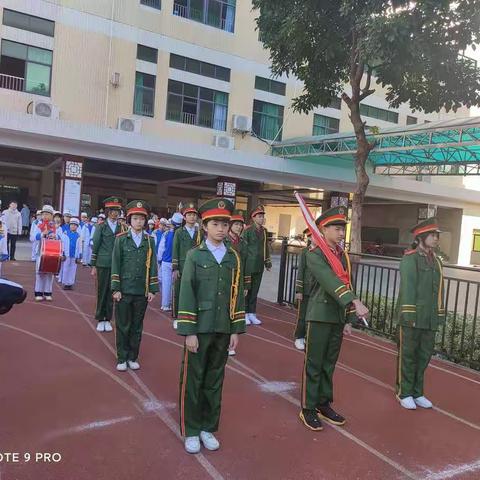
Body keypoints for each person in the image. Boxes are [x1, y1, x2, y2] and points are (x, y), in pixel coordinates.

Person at [177, 198, 246, 454]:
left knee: (215, 379)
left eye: (224, 224)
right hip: (200, 328)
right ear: (205, 226)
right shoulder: (195, 255)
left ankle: (208, 427)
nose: (221, 228)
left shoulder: (233, 258)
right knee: (193, 379)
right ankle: (192, 430)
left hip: (222, 328)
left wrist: (236, 328)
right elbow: (187, 292)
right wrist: (189, 331)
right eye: (215, 223)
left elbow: (238, 294)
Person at [300, 206, 369, 431]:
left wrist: (348, 317)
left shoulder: (342, 255)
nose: (341, 234)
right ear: (323, 229)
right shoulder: (315, 254)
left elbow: (347, 280)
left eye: (343, 230)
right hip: (320, 315)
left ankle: (323, 403)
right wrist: (354, 302)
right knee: (314, 363)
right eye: (337, 229)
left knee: (329, 364)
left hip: (337, 316)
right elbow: (330, 280)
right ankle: (308, 408)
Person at [395, 218, 445, 410]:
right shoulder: (410, 258)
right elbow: (408, 288)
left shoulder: (436, 261)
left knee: (424, 356)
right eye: (432, 235)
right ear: (421, 238)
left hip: (429, 317)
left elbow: (439, 290)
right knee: (408, 356)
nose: (436, 238)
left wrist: (439, 314)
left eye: (437, 235)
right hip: (412, 317)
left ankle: (417, 392)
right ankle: (404, 392)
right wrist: (409, 316)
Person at [111, 200, 158, 371]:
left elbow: (153, 264)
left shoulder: (149, 240)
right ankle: (122, 357)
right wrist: (115, 288)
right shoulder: (121, 239)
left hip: (141, 290)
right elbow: (116, 263)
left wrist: (153, 289)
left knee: (137, 326)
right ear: (129, 220)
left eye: (142, 219)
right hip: (124, 290)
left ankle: (133, 356)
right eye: (136, 218)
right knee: (123, 324)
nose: (139, 222)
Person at [91, 197, 127, 333]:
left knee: (114, 291)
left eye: (117, 211)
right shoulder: (101, 226)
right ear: (107, 212)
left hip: (117, 264)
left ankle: (108, 318)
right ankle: (101, 318)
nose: (114, 214)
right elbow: (96, 245)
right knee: (102, 291)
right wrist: (93, 265)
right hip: (103, 263)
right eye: (112, 211)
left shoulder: (122, 227)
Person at [224, 209, 250, 355]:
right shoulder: (224, 240)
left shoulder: (243, 242)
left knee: (235, 310)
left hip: (238, 280)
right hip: (226, 278)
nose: (239, 227)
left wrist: (246, 284)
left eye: (241, 225)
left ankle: (230, 342)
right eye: (236, 224)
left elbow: (246, 264)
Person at [242, 205, 272, 325]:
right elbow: (244, 248)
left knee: (255, 290)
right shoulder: (247, 230)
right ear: (253, 218)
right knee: (246, 289)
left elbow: (265, 247)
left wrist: (267, 262)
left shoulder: (264, 231)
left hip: (259, 264)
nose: (262, 219)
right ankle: (243, 313)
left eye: (263, 216)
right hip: (249, 265)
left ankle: (252, 313)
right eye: (259, 216)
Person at [172, 205, 202, 324]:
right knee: (179, 291)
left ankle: (192, 315)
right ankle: (177, 316)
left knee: (195, 290)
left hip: (196, 266)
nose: (192, 217)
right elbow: (175, 249)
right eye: (189, 215)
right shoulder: (179, 232)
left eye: (194, 215)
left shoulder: (199, 232)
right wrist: (175, 268)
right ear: (184, 217)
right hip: (182, 266)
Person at [31, 205, 62, 302]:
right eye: (43, 214)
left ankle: (48, 292)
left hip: (52, 253)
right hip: (41, 252)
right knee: (40, 273)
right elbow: (32, 238)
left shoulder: (56, 227)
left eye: (47, 214)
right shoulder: (39, 225)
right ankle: (38, 292)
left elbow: (60, 239)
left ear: (52, 215)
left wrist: (55, 236)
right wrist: (42, 234)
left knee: (49, 273)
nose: (45, 216)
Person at [294, 228, 313, 351]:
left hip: (316, 290)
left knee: (313, 315)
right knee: (303, 314)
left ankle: (308, 336)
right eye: (312, 236)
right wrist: (299, 290)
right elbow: (301, 271)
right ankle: (299, 336)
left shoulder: (323, 251)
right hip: (306, 288)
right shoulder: (305, 252)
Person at [159, 215, 182, 313]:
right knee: (176, 285)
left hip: (166, 261)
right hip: (177, 262)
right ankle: (175, 304)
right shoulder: (181, 234)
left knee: (166, 284)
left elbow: (161, 248)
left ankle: (165, 305)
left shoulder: (166, 233)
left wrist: (159, 260)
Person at [61, 217, 82, 290]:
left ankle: (70, 283)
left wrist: (79, 255)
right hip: (67, 254)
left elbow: (80, 246)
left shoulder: (78, 235)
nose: (73, 226)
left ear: (77, 226)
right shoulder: (65, 233)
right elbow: (62, 244)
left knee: (73, 269)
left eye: (75, 225)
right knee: (66, 268)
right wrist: (62, 253)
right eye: (72, 225)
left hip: (74, 255)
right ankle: (65, 283)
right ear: (69, 225)